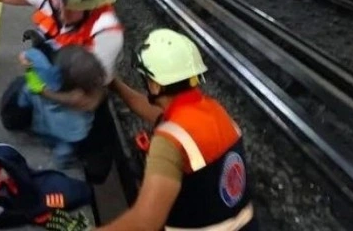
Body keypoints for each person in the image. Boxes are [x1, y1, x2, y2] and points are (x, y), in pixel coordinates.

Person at [99, 29, 256, 230]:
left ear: (155, 86)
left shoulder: (169, 140)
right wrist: (115, 84)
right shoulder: (213, 111)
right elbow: (155, 113)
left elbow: (144, 222)